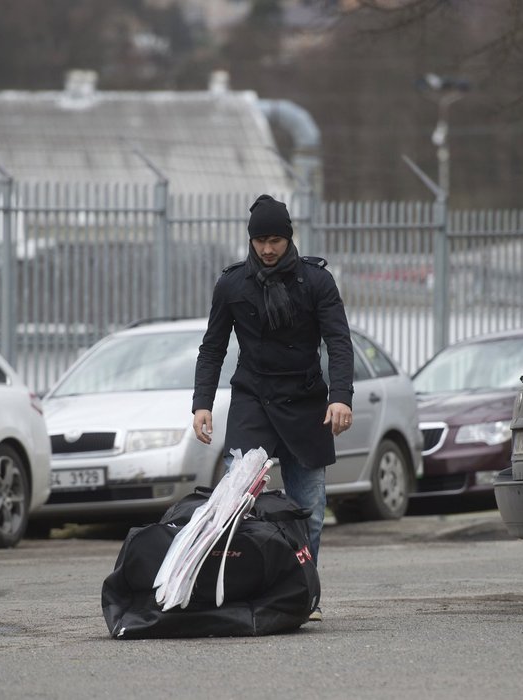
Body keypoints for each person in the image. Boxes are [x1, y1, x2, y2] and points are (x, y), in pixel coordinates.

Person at [191, 193, 354, 623]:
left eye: (275, 240)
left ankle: (304, 595)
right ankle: (232, 587)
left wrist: (341, 397)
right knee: (233, 507)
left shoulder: (317, 282)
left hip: (305, 403)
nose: (267, 249)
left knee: (310, 512)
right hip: (253, 401)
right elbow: (212, 348)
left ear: (289, 238)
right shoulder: (232, 284)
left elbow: (338, 341)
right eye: (260, 240)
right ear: (250, 240)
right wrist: (202, 405)